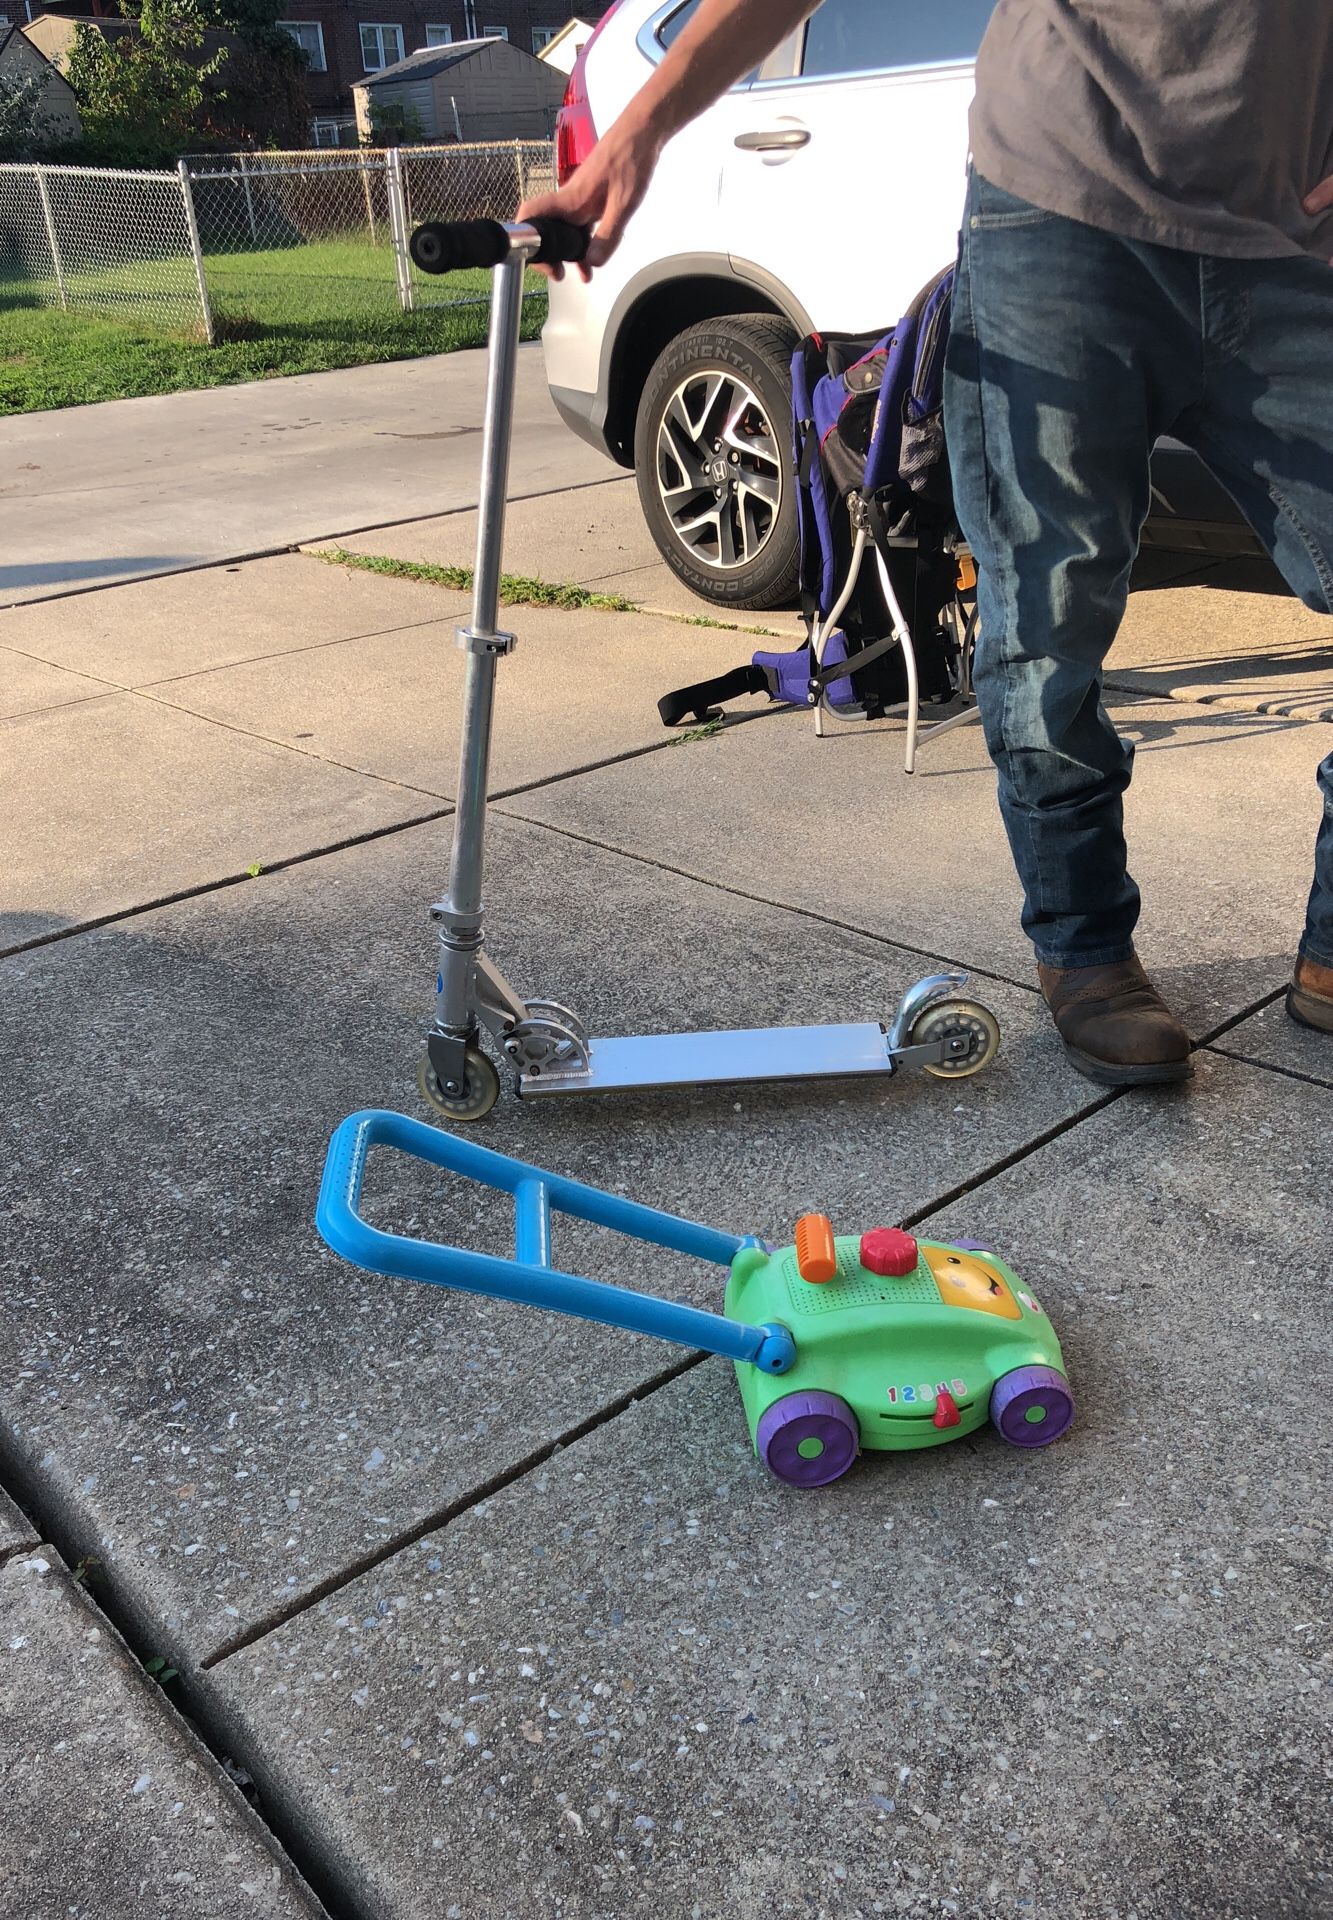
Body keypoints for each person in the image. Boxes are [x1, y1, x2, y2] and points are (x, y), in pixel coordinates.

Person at [520, 0, 1333, 1087]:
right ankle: (1084, 949)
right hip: (1060, 214)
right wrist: (634, 137)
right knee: (1044, 617)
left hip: (1292, 238)